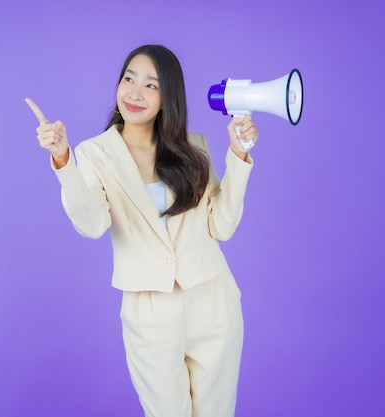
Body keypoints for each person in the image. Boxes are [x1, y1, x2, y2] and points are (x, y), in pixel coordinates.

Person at [25, 44, 258, 417]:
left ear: (168, 97)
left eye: (151, 85)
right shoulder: (94, 153)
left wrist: (239, 155)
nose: (134, 92)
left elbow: (223, 225)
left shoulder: (194, 147)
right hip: (149, 309)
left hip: (213, 300)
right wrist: (63, 160)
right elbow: (92, 224)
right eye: (129, 79)